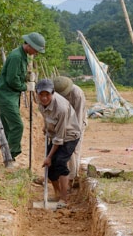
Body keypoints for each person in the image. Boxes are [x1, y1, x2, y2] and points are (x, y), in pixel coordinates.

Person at [0, 32, 45, 166]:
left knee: (8, 127)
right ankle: (11, 155)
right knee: (17, 126)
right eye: (36, 49)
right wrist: (26, 86)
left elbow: (17, 75)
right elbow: (12, 80)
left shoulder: (23, 57)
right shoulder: (17, 57)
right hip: (6, 96)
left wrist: (27, 76)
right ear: (29, 45)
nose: (36, 53)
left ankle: (7, 156)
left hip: (11, 96)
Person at [36, 79, 81, 209]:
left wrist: (49, 156)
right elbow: (47, 117)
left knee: (60, 163)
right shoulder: (40, 104)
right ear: (37, 94)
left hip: (69, 135)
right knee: (50, 168)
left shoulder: (61, 108)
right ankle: (56, 194)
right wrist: (46, 126)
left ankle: (64, 198)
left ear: (53, 93)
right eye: (41, 94)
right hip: (56, 133)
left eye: (47, 95)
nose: (44, 98)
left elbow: (60, 138)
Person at [53, 76, 87, 188]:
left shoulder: (77, 94)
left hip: (77, 123)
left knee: (73, 149)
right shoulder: (54, 95)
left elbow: (78, 116)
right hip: (63, 122)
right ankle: (62, 175)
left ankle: (73, 178)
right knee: (61, 149)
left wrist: (72, 132)